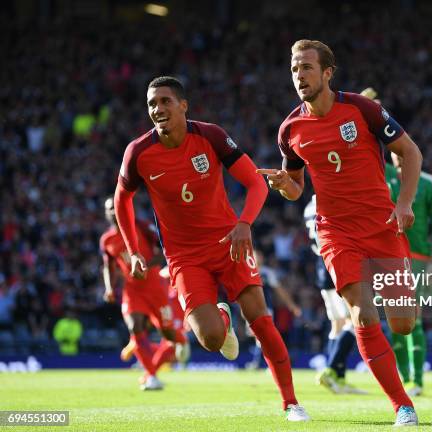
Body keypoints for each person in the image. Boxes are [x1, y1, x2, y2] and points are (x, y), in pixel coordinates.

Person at [113, 76, 309, 420]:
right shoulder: (139, 153)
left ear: (183, 106)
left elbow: (255, 184)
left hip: (229, 243)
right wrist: (134, 251)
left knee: (262, 322)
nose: (158, 109)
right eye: (152, 104)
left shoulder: (211, 136)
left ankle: (291, 403)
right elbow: (122, 200)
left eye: (165, 101)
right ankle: (222, 316)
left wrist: (244, 224)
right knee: (210, 340)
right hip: (185, 258)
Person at [258, 40, 422, 426]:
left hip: (382, 226)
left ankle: (392, 352)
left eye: (307, 68)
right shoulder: (290, 129)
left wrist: (405, 204)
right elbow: (297, 188)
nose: (299, 76)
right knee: (363, 316)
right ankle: (402, 405)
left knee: (403, 322)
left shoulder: (362, 109)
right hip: (336, 232)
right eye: (295, 69)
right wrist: (285, 185)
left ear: (328, 72)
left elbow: (411, 152)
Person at [362, 86, 432, 396]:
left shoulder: (428, 183)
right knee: (393, 321)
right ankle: (404, 377)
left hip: (421, 258)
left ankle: (418, 381)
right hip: (387, 256)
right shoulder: (379, 175)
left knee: (415, 318)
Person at [100, 197, 189, 390]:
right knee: (135, 328)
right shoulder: (107, 240)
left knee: (168, 332)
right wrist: (109, 287)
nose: (114, 212)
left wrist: (144, 266)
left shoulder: (141, 226)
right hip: (132, 290)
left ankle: (181, 340)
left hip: (155, 287)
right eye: (110, 209)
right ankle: (152, 377)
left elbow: (164, 250)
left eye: (116, 207)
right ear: (106, 214)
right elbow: (108, 266)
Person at [304, 195, 367, 395]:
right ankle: (331, 369)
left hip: (321, 267)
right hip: (336, 262)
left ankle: (338, 379)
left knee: (337, 324)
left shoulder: (308, 207)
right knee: (352, 321)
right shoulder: (330, 200)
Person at [245, 250, 302, 370]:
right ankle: (270, 362)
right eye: (255, 256)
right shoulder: (246, 272)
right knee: (258, 336)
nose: (257, 258)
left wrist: (292, 306)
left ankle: (263, 362)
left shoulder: (266, 273)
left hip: (265, 309)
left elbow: (279, 290)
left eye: (259, 256)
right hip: (250, 308)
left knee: (264, 336)